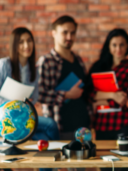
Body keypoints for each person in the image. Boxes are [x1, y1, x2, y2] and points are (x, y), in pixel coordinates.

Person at [0, 27, 59, 171]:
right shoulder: (4, 64)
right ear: (15, 45)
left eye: (29, 41)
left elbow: (36, 96)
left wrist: (29, 100)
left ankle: (48, 165)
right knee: (50, 124)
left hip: (23, 114)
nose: (26, 46)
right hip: (5, 115)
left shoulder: (34, 68)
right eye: (21, 42)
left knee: (44, 134)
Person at [85, 28, 128, 171]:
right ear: (109, 46)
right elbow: (89, 95)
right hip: (101, 124)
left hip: (122, 123)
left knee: (122, 165)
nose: (118, 49)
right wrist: (112, 95)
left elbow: (122, 98)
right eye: (114, 45)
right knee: (106, 166)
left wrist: (100, 97)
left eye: (122, 45)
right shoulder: (98, 66)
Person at [37, 15, 92, 140]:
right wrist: (66, 95)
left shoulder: (78, 60)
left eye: (72, 33)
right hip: (59, 127)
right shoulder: (46, 61)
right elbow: (39, 94)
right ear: (54, 33)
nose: (69, 37)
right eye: (65, 32)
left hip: (83, 127)